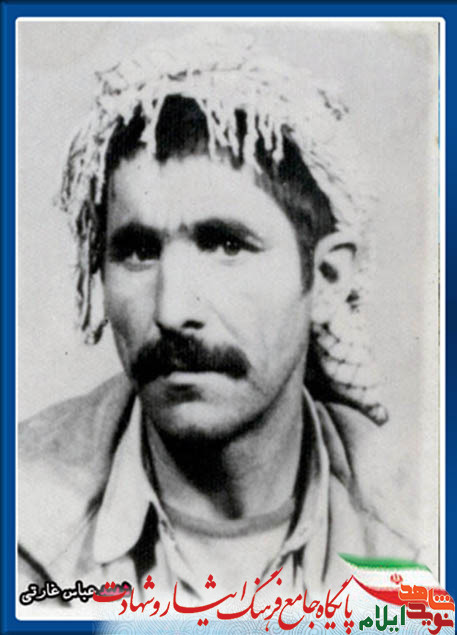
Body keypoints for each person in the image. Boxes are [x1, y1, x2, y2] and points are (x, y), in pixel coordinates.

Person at [18, 39, 420, 611]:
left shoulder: (425, 529)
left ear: (328, 278)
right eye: (138, 252)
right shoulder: (18, 514)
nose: (171, 310)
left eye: (226, 244)